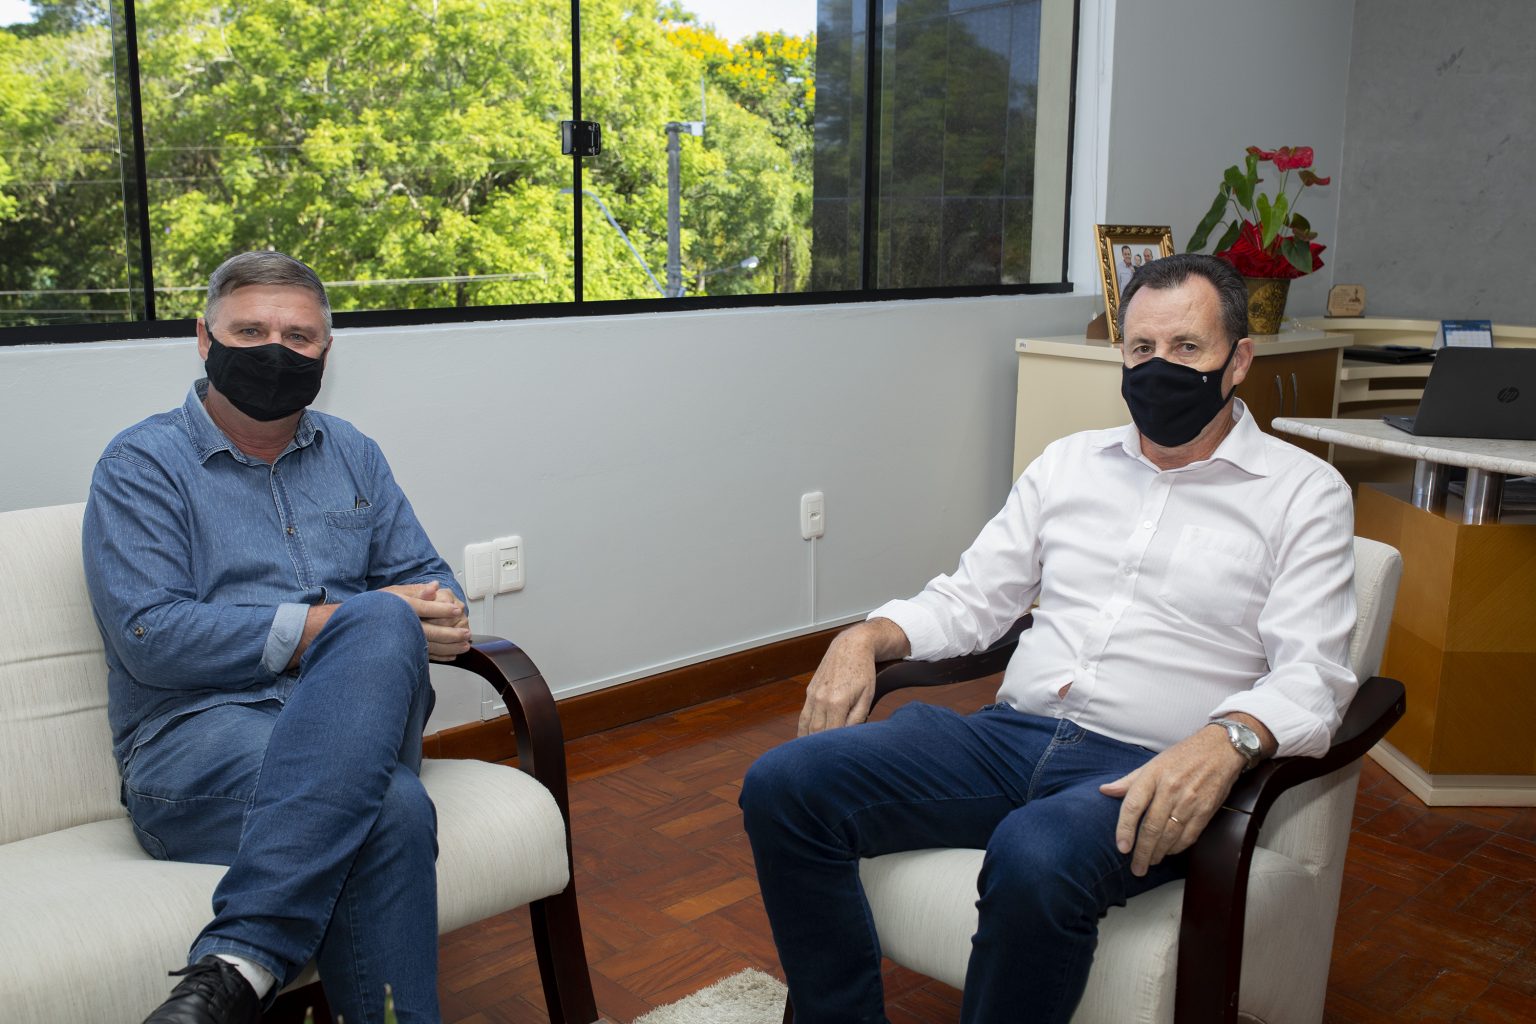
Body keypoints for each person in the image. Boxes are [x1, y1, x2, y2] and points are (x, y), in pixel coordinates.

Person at [740, 253, 1357, 1024]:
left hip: (1147, 766)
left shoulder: (1304, 495)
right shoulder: (1069, 465)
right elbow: (974, 599)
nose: (1159, 367)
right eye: (1142, 348)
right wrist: (866, 635)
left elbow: (1314, 677)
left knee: (1035, 853)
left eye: (1186, 348)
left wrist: (1227, 740)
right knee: (785, 783)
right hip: (1008, 739)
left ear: (1237, 361)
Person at [82, 251, 471, 1024]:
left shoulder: (353, 452)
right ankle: (257, 960)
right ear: (205, 339)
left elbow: (432, 583)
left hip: (360, 720)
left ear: (326, 351)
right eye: (251, 331)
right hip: (196, 741)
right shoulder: (140, 464)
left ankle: (239, 964)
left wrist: (432, 612)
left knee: (381, 618)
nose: (275, 351)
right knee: (393, 808)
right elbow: (151, 636)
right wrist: (339, 625)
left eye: (298, 337)